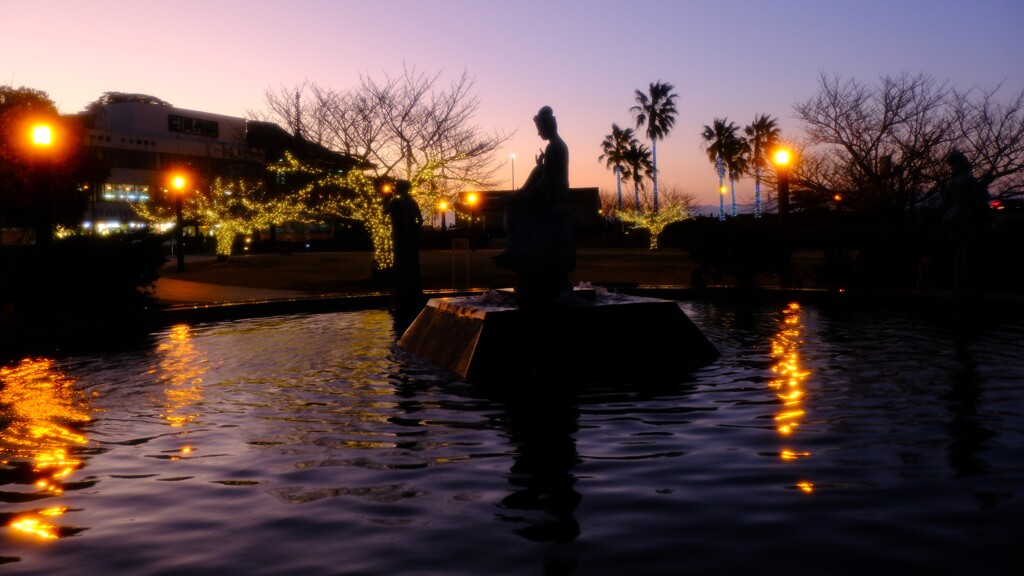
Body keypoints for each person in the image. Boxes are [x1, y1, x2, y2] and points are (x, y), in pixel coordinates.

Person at [494, 106, 576, 306]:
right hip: (552, 192)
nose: (538, 133)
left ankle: (513, 250)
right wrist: (540, 166)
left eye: (539, 128)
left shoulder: (555, 147)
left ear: (547, 126)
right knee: (534, 173)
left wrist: (525, 197)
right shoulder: (555, 146)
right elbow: (545, 174)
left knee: (514, 208)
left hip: (553, 195)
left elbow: (548, 181)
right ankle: (514, 198)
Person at [940, 151, 990, 294]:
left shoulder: (950, 182)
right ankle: (963, 281)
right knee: (966, 249)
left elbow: (946, 201)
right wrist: (985, 184)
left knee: (959, 249)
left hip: (950, 216)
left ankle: (958, 280)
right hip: (963, 216)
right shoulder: (968, 180)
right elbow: (983, 197)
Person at [386, 179, 424, 317]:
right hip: (411, 238)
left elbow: (384, 212)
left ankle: (401, 292)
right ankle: (414, 292)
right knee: (413, 265)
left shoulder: (395, 202)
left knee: (400, 265)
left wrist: (387, 197)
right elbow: (419, 220)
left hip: (399, 237)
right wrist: (414, 229)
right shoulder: (412, 202)